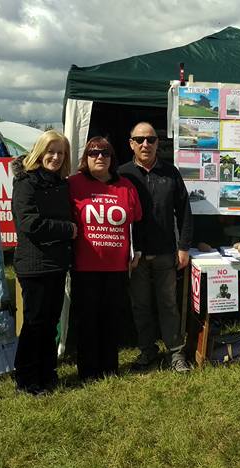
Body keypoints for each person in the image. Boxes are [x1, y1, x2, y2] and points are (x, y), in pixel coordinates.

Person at [118, 122, 195, 373]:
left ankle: (175, 353)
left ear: (157, 143)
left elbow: (184, 212)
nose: (145, 144)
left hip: (165, 253)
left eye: (150, 139)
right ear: (131, 143)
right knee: (140, 305)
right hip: (135, 255)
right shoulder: (122, 174)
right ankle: (147, 351)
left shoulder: (170, 172)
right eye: (139, 139)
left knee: (168, 305)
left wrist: (183, 247)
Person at [69, 136, 142, 381]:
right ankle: (88, 371)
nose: (100, 157)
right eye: (93, 153)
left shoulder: (126, 186)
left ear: (112, 158)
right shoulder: (73, 184)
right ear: (85, 158)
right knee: (87, 320)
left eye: (105, 153)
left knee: (111, 319)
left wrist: (137, 252)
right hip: (85, 266)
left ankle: (110, 369)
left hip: (117, 268)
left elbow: (137, 224)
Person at [10, 130, 76, 395]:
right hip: (34, 263)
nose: (56, 157)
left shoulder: (60, 183)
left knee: (51, 322)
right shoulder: (26, 182)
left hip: (57, 263)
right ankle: (26, 377)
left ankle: (47, 372)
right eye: (51, 151)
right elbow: (27, 222)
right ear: (40, 152)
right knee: (35, 322)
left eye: (61, 153)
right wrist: (67, 230)